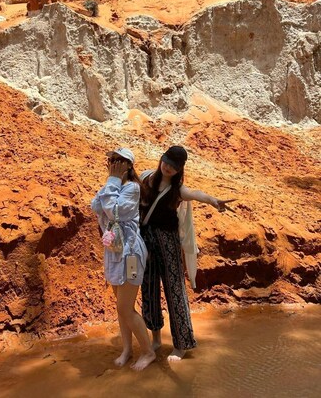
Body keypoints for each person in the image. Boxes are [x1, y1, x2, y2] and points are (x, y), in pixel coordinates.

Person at [139, 145, 235, 362]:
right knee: (149, 289)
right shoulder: (146, 178)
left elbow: (195, 194)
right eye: (166, 162)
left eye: (173, 166)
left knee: (175, 290)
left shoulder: (177, 190)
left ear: (179, 169)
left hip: (168, 243)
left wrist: (213, 200)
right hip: (145, 241)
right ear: (162, 158)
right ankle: (155, 338)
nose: (168, 168)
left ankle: (181, 345)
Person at [91, 147, 156, 371]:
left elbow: (113, 211)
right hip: (115, 251)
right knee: (121, 308)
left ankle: (148, 352)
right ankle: (127, 350)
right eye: (112, 160)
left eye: (120, 160)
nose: (114, 163)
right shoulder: (115, 184)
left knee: (125, 307)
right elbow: (95, 206)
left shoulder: (132, 188)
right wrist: (111, 182)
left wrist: (112, 181)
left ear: (129, 165)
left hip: (131, 254)